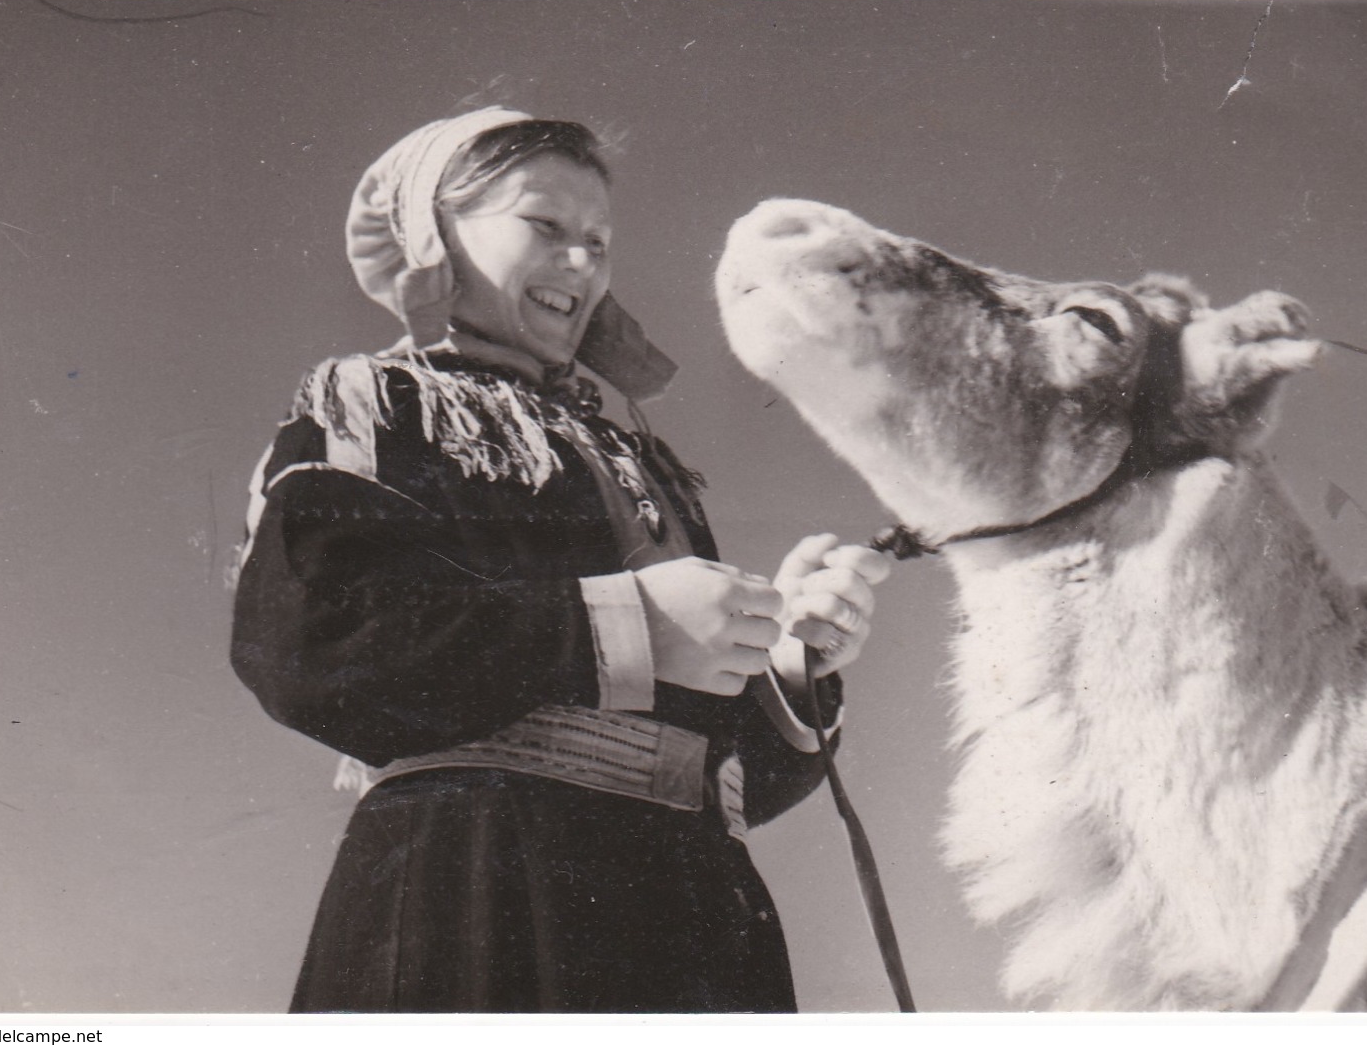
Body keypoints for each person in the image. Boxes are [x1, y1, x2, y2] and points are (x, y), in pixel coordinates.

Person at [229, 106, 890, 1014]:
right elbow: (313, 642)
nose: (581, 264)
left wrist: (785, 663)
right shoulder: (381, 407)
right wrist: (636, 625)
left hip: (692, 921)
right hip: (480, 899)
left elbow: (713, 781)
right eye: (545, 226)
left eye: (598, 241)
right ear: (435, 233)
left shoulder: (640, 461)